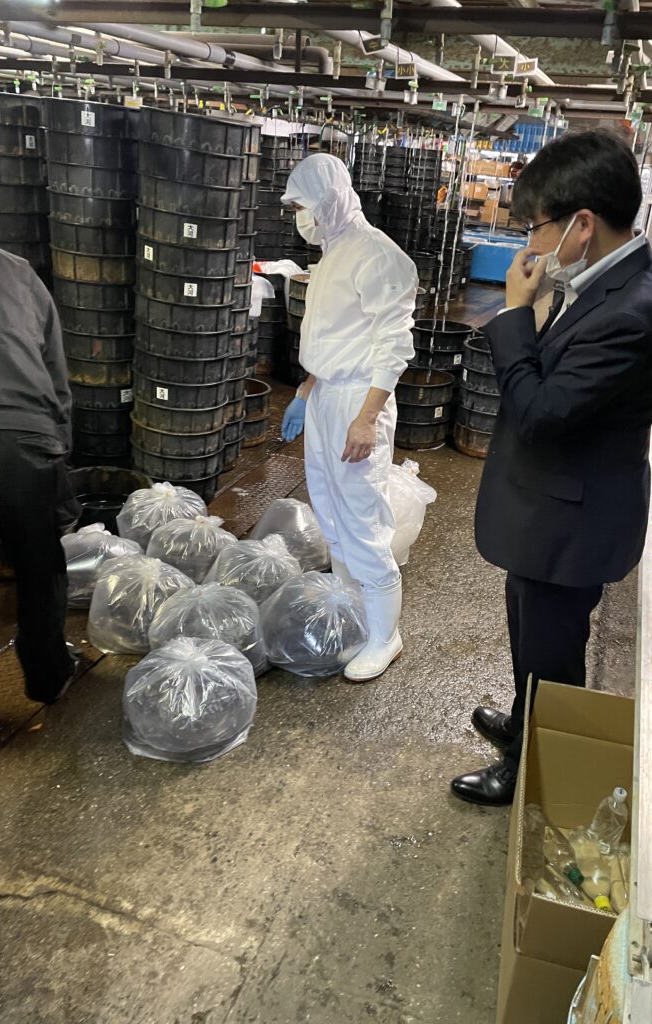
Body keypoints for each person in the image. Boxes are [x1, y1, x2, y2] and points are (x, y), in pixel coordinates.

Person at [451, 130, 652, 806]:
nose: (532, 241)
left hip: (570, 524)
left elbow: (541, 414)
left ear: (582, 224)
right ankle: (528, 720)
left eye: (537, 226)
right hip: (549, 510)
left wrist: (516, 315)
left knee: (552, 655)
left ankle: (535, 772)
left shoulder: (635, 310)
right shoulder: (604, 281)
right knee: (532, 635)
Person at [279, 154, 418, 682]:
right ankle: (354, 613)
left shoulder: (378, 255)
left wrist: (366, 419)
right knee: (330, 509)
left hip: (359, 400)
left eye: (305, 206)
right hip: (326, 396)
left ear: (331, 201)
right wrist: (305, 390)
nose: (301, 217)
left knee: (361, 518)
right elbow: (331, 338)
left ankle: (385, 635)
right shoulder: (332, 254)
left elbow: (393, 346)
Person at [0, 206, 78, 705]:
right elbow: (55, 375)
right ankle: (48, 677)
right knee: (38, 564)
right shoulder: (20, 273)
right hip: (25, 435)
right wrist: (57, 452)